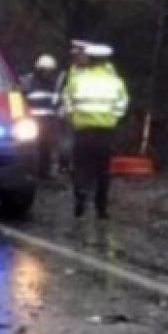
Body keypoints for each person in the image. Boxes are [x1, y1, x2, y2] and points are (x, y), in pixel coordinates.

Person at [62, 43, 129, 219]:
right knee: (104, 170)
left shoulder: (77, 80)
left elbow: (67, 103)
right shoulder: (116, 82)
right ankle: (101, 209)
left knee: (81, 166)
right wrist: (111, 119)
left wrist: (74, 119)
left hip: (83, 131)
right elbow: (122, 106)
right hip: (105, 132)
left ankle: (80, 193)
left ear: (89, 60)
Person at [21, 54, 66, 179]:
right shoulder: (27, 82)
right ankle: (30, 172)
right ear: (39, 69)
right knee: (31, 149)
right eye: (46, 70)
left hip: (49, 123)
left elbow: (57, 104)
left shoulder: (53, 86)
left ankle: (45, 172)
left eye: (50, 71)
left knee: (46, 148)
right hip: (32, 122)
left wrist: (59, 112)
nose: (48, 73)